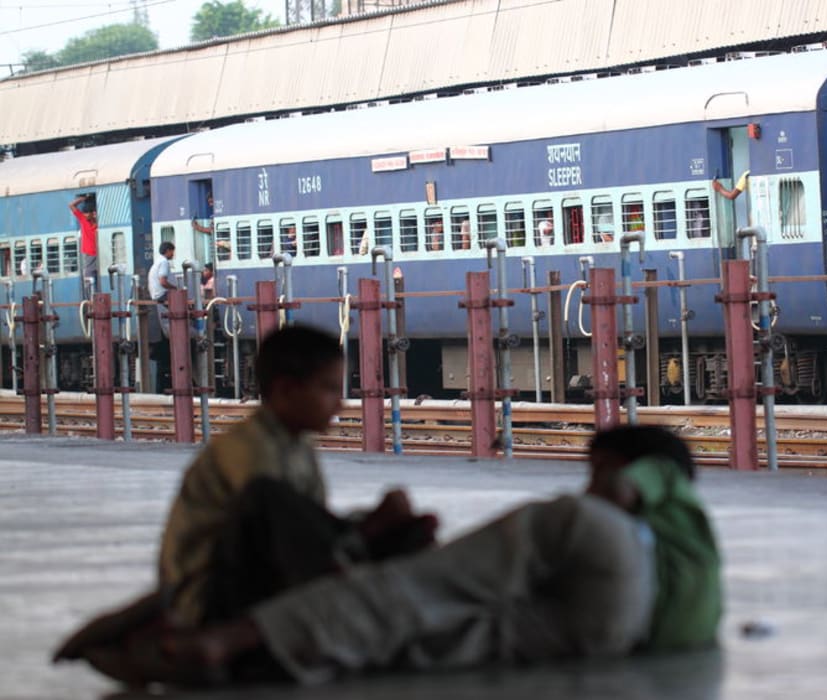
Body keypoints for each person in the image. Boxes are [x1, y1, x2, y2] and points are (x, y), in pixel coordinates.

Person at [64, 425, 721, 687]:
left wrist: (610, 487)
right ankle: (263, 655)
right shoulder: (693, 546)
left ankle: (233, 636)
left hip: (612, 566)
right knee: (443, 632)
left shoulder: (660, 478)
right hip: (624, 635)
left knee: (429, 584)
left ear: (612, 459)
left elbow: (630, 484)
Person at [53, 327, 438, 674]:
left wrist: (372, 527)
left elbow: (308, 529)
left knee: (406, 532)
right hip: (212, 598)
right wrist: (366, 529)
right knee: (272, 500)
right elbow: (278, 528)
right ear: (286, 390)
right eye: (327, 389)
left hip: (258, 573)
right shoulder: (249, 449)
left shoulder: (296, 446)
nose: (339, 404)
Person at [69, 195, 98, 295]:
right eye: (84, 213)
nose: (85, 215)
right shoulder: (83, 221)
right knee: (89, 279)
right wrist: (82, 199)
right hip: (89, 254)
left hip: (99, 254)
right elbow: (71, 206)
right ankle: (90, 299)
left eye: (87, 213)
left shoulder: (98, 225)